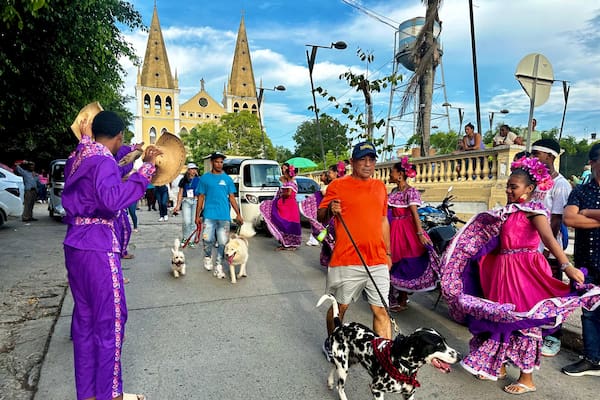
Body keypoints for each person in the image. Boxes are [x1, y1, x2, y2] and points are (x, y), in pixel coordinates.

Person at [441, 156, 600, 395]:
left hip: (525, 272)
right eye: (508, 185)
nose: (508, 190)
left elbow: (548, 239)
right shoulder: (507, 212)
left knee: (523, 321)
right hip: (502, 273)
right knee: (500, 317)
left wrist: (567, 266)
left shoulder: (534, 211)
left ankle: (527, 378)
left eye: (513, 187)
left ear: (530, 189)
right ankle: (500, 365)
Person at [62, 110, 160, 400]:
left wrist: (135, 153)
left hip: (75, 244)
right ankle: (110, 394)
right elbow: (112, 197)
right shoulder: (103, 159)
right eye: (123, 140)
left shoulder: (78, 158)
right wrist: (146, 170)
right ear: (118, 136)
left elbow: (106, 178)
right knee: (111, 321)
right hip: (97, 244)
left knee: (85, 322)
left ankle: (89, 394)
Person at [317, 141, 392, 361]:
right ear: (352, 162)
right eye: (363, 160)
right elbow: (321, 217)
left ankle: (384, 356)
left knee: (381, 311)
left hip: (377, 259)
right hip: (347, 259)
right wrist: (331, 210)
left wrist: (388, 254)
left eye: (372, 160)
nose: (368, 164)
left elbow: (383, 220)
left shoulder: (379, 187)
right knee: (340, 308)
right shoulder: (337, 186)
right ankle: (332, 343)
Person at [531, 139, 572, 357]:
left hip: (547, 248)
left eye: (537, 153)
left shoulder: (561, 185)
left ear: (550, 157)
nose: (534, 157)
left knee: (552, 292)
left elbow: (556, 220)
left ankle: (554, 337)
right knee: (534, 292)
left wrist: (546, 250)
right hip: (530, 246)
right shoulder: (536, 181)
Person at [562, 142, 600, 377]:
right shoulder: (581, 191)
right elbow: (569, 219)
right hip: (588, 260)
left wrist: (586, 213)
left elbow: (578, 217)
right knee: (589, 311)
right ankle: (593, 358)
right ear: (593, 163)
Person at [387, 157, 438, 312]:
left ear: (400, 175)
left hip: (406, 230)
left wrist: (420, 233)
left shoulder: (411, 192)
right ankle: (396, 295)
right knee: (394, 263)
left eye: (392, 172)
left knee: (405, 263)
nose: (390, 175)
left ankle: (402, 299)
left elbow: (415, 214)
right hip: (394, 228)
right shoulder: (394, 192)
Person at [195, 152, 243, 279]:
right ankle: (207, 257)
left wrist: (238, 214)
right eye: (217, 162)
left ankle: (219, 266)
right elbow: (201, 197)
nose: (219, 164)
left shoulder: (227, 179)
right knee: (207, 239)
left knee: (223, 243)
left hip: (223, 216)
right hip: (209, 215)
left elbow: (232, 198)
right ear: (212, 163)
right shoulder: (205, 178)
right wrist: (197, 216)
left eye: (221, 162)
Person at [299, 163, 342, 263]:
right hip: (329, 216)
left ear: (336, 173)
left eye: (330, 173)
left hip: (337, 218)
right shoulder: (332, 184)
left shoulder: (339, 184)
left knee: (333, 239)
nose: (328, 175)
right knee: (328, 238)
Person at [260, 179, 302, 250]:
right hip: (285, 205)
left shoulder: (291, 183)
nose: (282, 170)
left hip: (289, 206)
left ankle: (290, 244)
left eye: (284, 169)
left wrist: (281, 194)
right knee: (283, 223)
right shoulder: (288, 182)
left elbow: (288, 193)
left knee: (287, 224)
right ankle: (285, 243)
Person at [173, 163, 200, 248]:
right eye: (192, 169)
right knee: (186, 221)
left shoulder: (199, 180)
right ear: (188, 170)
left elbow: (202, 193)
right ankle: (185, 237)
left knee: (193, 222)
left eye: (195, 169)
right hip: (186, 201)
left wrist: (202, 205)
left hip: (195, 200)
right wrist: (178, 205)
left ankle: (191, 240)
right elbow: (180, 193)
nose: (194, 170)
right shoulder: (183, 180)